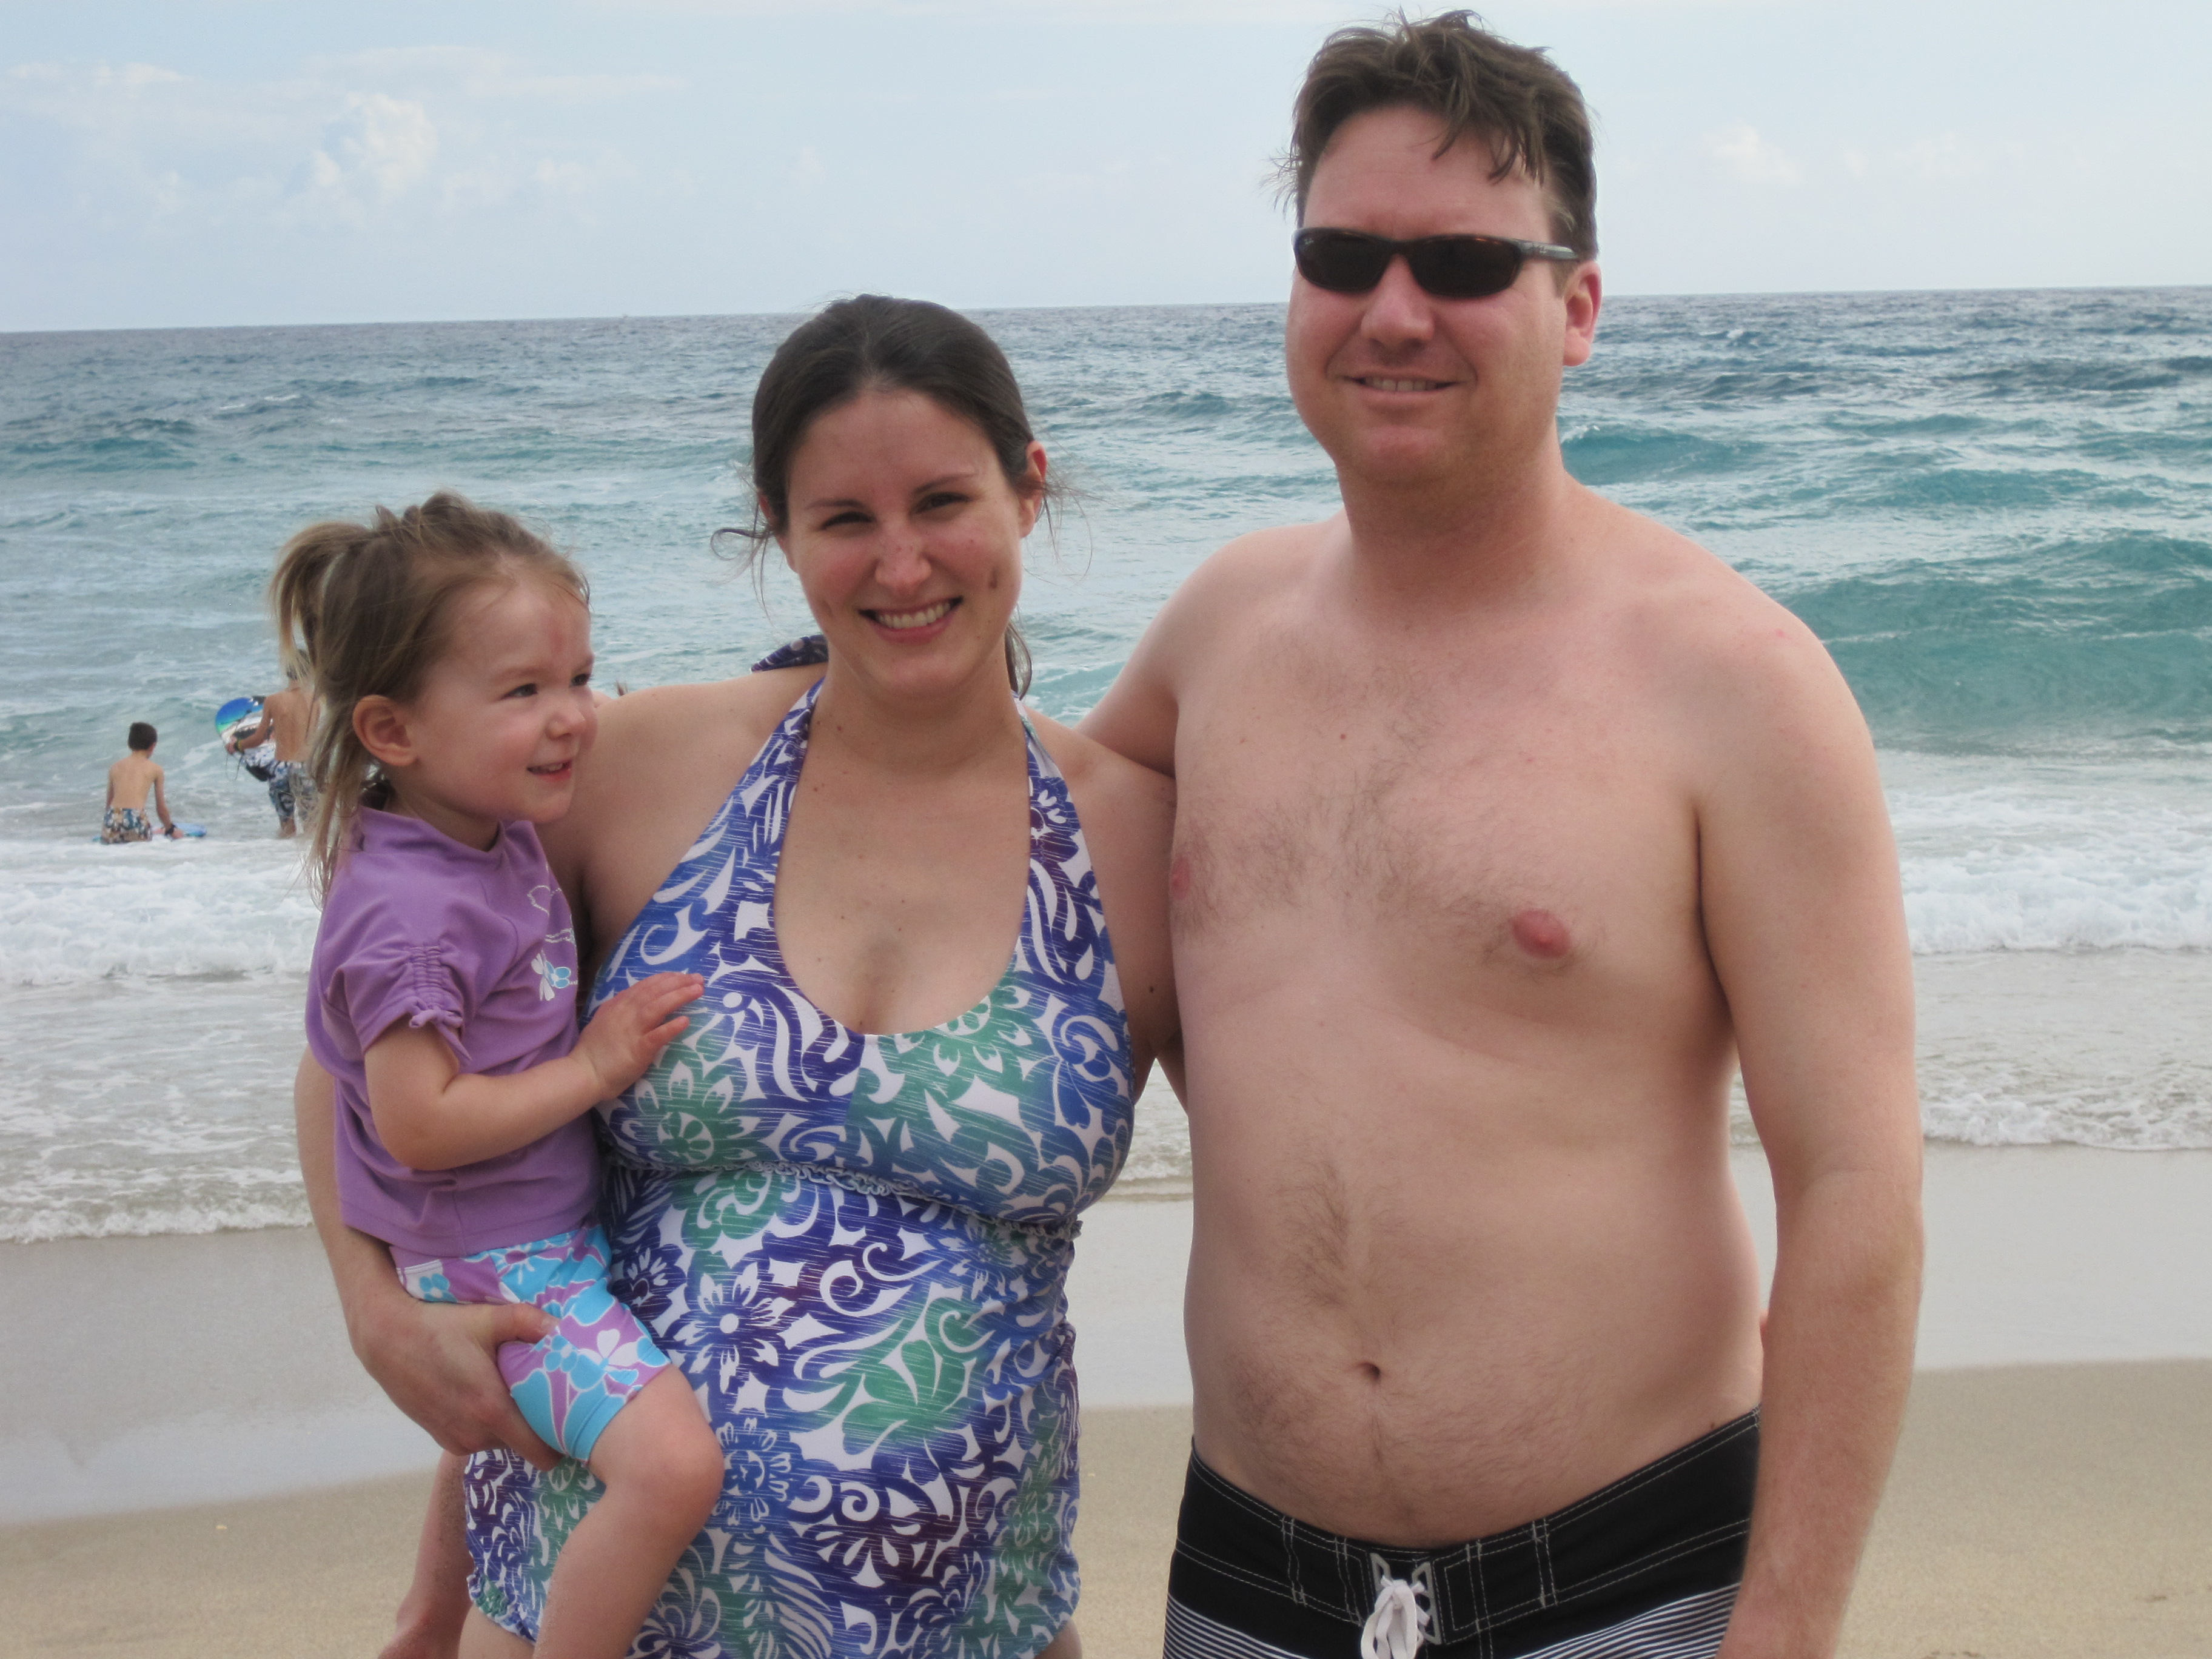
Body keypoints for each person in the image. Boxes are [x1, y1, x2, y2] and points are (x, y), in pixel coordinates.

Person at [1078, 15, 1923, 1659]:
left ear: (1578, 306)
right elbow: (985, 819)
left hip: (1627, 1588)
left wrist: (1788, 1622)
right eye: (1342, 255)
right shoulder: (1215, 635)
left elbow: (1855, 1188)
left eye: (1464, 263)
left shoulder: (1738, 684)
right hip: (1243, 1582)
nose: (1393, 311)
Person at [295, 297, 1179, 1658]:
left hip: (963, 1626)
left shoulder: (1130, 838)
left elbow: (1291, 1220)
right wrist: (373, 1310)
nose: (901, 564)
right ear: (778, 528)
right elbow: (361, 1050)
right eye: (844, 519)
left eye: (943, 501)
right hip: (567, 1612)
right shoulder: (636, 770)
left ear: (1028, 488)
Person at [275, 493, 726, 1659]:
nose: (575, 716)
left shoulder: (478, 826)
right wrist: (594, 1065)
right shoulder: (413, 915)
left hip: (521, 1241)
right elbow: (418, 1123)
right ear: (393, 731)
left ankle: (438, 1621)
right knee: (673, 1469)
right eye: (523, 691)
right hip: (503, 1266)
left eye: (580, 676)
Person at [227, 668, 317, 836]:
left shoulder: (273, 700)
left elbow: (258, 739)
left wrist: (238, 745)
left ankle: (282, 852)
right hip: (306, 766)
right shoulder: (317, 699)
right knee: (312, 828)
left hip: (280, 767)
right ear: (309, 672)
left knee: (287, 827)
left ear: (287, 672)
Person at [102, 722, 181, 842]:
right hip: (136, 820)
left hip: (113, 819)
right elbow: (161, 809)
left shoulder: (115, 767)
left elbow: (109, 805)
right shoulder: (156, 769)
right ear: (153, 746)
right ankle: (160, 831)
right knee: (141, 845)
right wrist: (170, 829)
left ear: (129, 744)